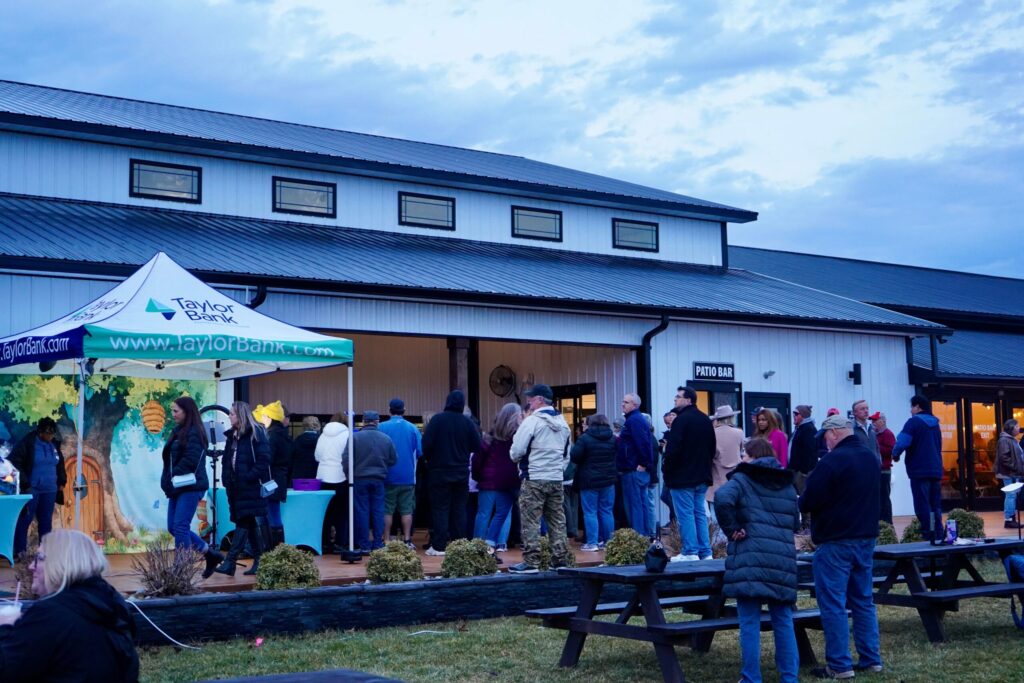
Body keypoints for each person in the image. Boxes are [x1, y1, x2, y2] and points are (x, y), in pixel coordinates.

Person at [799, 414, 883, 679]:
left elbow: (808, 500)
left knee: (833, 603)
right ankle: (871, 659)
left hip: (836, 540)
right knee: (863, 601)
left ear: (833, 433)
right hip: (865, 538)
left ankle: (839, 664)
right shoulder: (871, 458)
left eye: (826, 436)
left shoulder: (832, 461)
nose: (825, 441)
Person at [0, 529, 139, 682]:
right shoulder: (113, 606)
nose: (31, 566)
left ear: (60, 562)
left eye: (39, 558)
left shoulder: (51, 615)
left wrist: (5, 627)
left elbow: (7, 670)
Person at [714, 437, 800, 683]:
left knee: (749, 622)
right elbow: (794, 522)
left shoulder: (742, 479)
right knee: (783, 620)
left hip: (750, 555)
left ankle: (752, 677)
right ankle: (789, 677)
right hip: (781, 558)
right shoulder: (787, 484)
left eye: (744, 455)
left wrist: (733, 527)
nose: (742, 459)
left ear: (752, 457)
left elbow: (721, 499)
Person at [508, 383, 572, 573]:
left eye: (531, 397)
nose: (528, 401)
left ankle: (531, 561)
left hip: (534, 477)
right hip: (555, 478)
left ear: (540, 400)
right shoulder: (563, 423)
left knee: (530, 520)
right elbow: (567, 454)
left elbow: (517, 450)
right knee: (557, 520)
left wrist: (518, 461)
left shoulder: (531, 421)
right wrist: (557, 470)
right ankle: (560, 560)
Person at [160, 396, 223, 577]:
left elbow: (191, 460)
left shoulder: (195, 432)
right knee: (174, 526)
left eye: (176, 411)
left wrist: (171, 477)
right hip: (178, 486)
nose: (173, 414)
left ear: (187, 412)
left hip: (190, 486)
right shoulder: (179, 430)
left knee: (180, 525)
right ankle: (210, 554)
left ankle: (181, 569)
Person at [215, 401, 272, 576]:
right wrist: (227, 480)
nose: (230, 416)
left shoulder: (256, 433)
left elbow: (264, 460)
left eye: (232, 414)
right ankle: (259, 560)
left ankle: (230, 561)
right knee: (249, 522)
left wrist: (248, 477)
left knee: (244, 521)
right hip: (236, 487)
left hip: (250, 486)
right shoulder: (232, 436)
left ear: (240, 415)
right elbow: (227, 460)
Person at [422, 390, 481, 556]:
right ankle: (459, 544)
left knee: (440, 508)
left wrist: (430, 460)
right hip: (461, 472)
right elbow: (477, 446)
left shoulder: (437, 420)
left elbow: (425, 445)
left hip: (438, 472)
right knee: (459, 509)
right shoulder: (467, 422)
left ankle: (439, 545)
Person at [664, 386, 716, 562]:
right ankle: (705, 551)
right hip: (702, 475)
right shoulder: (705, 420)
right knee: (699, 513)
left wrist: (666, 468)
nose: (675, 400)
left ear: (688, 400)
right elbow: (712, 448)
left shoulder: (681, 420)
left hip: (682, 476)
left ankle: (690, 551)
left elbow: (673, 449)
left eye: (678, 397)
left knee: (685, 514)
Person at [9, 416, 67, 559]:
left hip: (50, 489)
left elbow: (60, 464)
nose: (50, 435)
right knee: (25, 519)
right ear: (40, 431)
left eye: (52, 433)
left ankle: (44, 552)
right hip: (32, 489)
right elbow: (14, 461)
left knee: (46, 521)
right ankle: (19, 551)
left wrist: (62, 482)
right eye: (48, 432)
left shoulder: (54, 444)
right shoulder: (29, 442)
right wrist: (25, 483)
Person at [891, 395, 944, 544]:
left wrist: (895, 455)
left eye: (912, 407)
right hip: (935, 469)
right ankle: (938, 533)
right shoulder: (936, 424)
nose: (911, 410)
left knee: (922, 504)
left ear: (918, 407)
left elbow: (902, 442)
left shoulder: (913, 422)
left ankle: (927, 533)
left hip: (919, 470)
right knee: (935, 505)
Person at [472, 403, 522, 552]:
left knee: (483, 513)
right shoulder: (519, 436)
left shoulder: (490, 436)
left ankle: (479, 544)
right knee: (504, 513)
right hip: (511, 479)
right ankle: (501, 543)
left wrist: (477, 476)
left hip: (488, 480)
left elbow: (478, 459)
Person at [350, 411, 397, 553]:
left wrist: (350, 475)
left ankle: (364, 545)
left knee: (362, 511)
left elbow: (346, 459)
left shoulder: (354, 438)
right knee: (378, 511)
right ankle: (377, 543)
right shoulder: (386, 439)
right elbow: (394, 459)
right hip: (378, 479)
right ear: (377, 422)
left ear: (364, 421)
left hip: (359, 478)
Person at [379, 398, 423, 549]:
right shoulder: (413, 428)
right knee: (407, 510)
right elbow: (419, 452)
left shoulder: (381, 427)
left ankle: (386, 540)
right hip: (408, 477)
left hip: (387, 476)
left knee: (387, 509)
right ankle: (407, 539)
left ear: (389, 410)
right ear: (404, 410)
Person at [571, 413, 618, 551]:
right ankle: (609, 541)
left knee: (590, 512)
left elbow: (574, 457)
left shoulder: (584, 438)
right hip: (608, 480)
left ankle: (592, 542)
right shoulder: (612, 438)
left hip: (589, 480)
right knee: (607, 511)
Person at [617, 393, 655, 537]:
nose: (623, 404)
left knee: (635, 505)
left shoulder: (634, 420)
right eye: (623, 401)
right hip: (634, 468)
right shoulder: (635, 419)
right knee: (640, 503)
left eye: (626, 402)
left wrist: (644, 463)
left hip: (634, 469)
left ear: (635, 405)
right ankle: (644, 535)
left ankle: (639, 536)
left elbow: (643, 443)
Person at [255, 400, 291, 548]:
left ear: (270, 418)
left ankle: (273, 549)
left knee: (270, 515)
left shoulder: (272, 436)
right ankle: (275, 550)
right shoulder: (282, 434)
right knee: (273, 515)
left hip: (270, 480)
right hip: (278, 480)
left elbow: (267, 458)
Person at [315, 412, 350, 552]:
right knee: (342, 513)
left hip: (323, 477)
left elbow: (317, 456)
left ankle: (325, 542)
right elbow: (348, 456)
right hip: (340, 476)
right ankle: (341, 542)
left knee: (325, 512)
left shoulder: (322, 435)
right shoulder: (347, 434)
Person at [706, 405, 743, 526]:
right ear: (731, 417)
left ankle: (718, 542)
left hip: (716, 476)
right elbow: (742, 452)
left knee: (716, 514)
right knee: (735, 512)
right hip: (735, 478)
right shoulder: (739, 432)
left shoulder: (711, 433)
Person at [995, 419, 1024, 529]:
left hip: (1013, 473)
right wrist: (1016, 467)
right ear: (1011, 428)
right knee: (1011, 495)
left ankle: (1012, 519)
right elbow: (1004, 458)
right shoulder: (1004, 440)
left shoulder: (1012, 440)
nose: (1019, 428)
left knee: (1013, 495)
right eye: (1017, 427)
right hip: (1008, 473)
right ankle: (1009, 520)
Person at [871, 411, 896, 525]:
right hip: (876, 471)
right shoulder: (874, 434)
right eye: (872, 420)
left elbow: (891, 451)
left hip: (884, 471)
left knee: (884, 499)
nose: (873, 423)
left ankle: (887, 524)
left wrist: (875, 446)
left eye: (875, 420)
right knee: (878, 499)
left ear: (883, 421)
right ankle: (880, 523)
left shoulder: (887, 434)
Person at [290, 416, 321, 482]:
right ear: (317, 425)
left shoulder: (297, 440)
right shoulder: (321, 440)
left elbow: (291, 458)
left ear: (303, 426)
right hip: (317, 475)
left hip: (299, 476)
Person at [851, 400, 881, 465]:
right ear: (855, 412)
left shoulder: (872, 427)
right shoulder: (850, 429)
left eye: (867, 408)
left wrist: (879, 461)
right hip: (859, 468)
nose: (866, 411)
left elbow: (876, 447)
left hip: (874, 467)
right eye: (862, 409)